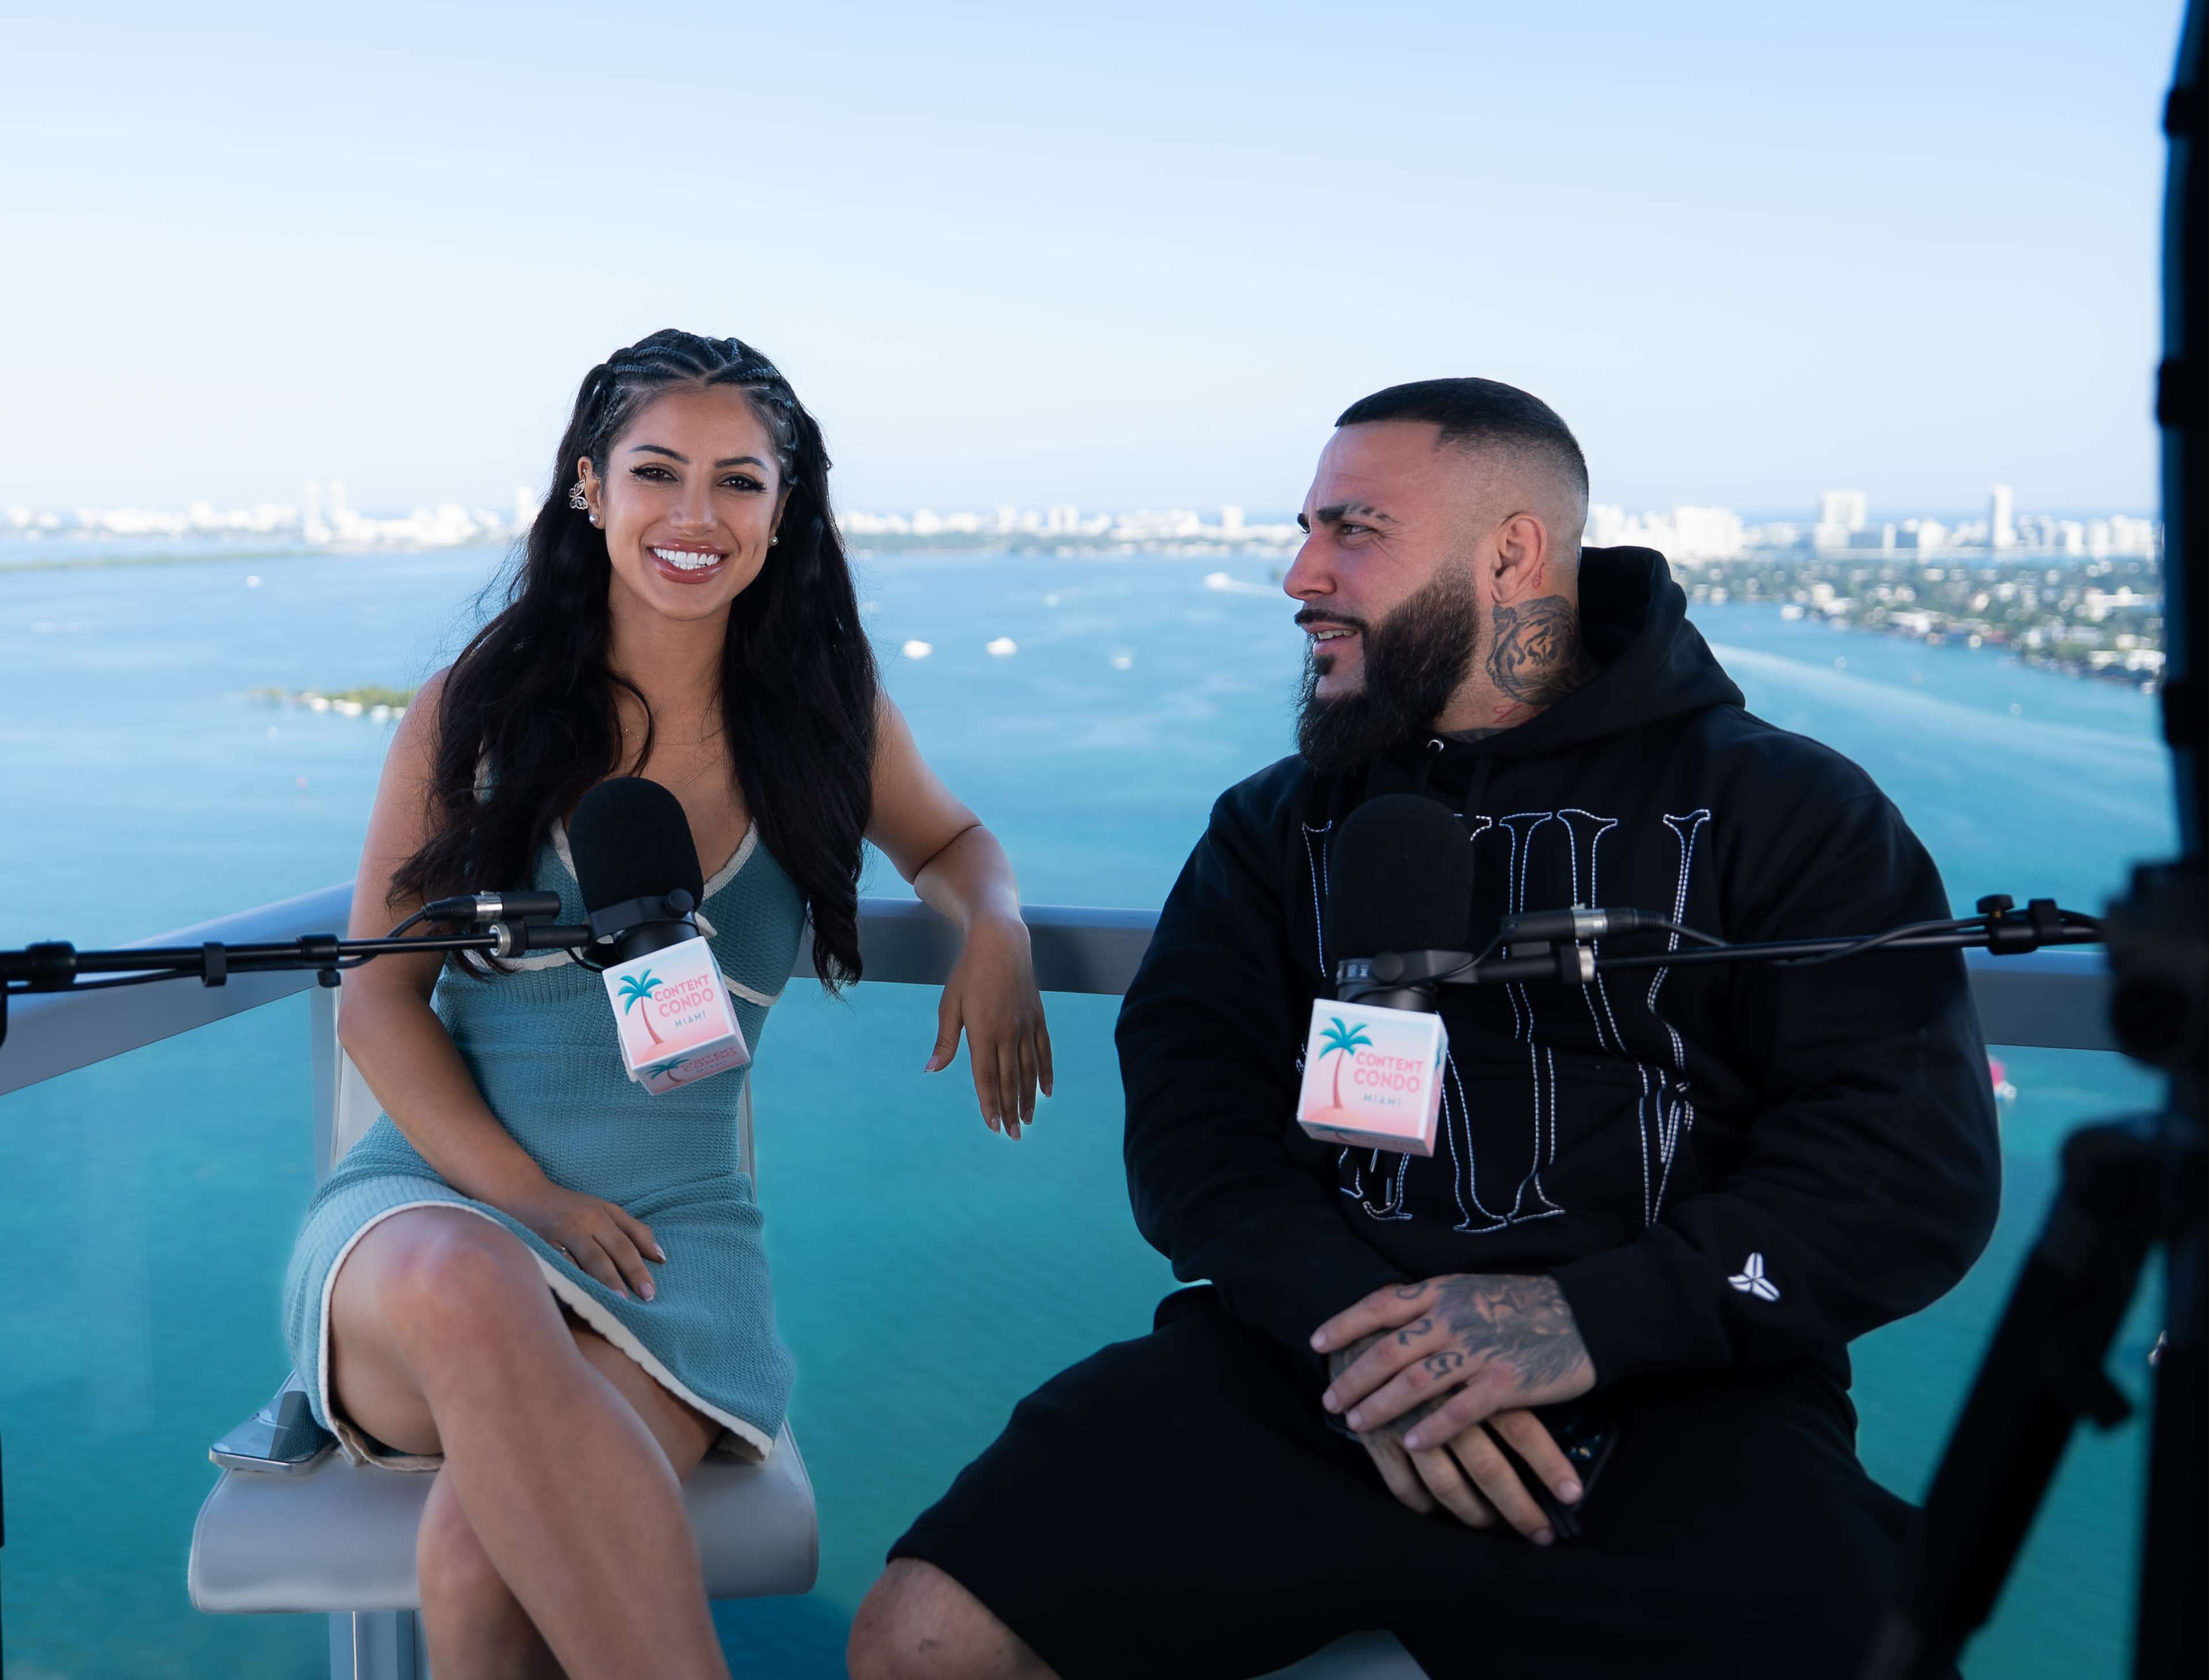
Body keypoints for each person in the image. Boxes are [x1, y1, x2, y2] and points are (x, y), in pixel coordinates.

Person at [850, 378, 2001, 1679]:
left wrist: (1579, 1324)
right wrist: (1375, 1341)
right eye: (1307, 528)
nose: (1300, 573)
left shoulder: (1787, 809)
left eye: (1354, 529)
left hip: (1680, 1390)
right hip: (1313, 1362)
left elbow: (1906, 1166)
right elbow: (1193, 1117)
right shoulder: (1274, 826)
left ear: (1510, 553)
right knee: (924, 1640)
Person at [280, 330, 1053, 1680]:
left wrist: (993, 924)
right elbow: (376, 1002)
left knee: (479, 1556)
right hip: (438, 1211)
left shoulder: (822, 720)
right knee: (471, 1286)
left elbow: (949, 841)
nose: (697, 517)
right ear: (591, 490)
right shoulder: (478, 712)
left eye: (741, 483)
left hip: (670, 1245)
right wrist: (528, 1200)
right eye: (657, 473)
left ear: (786, 508)